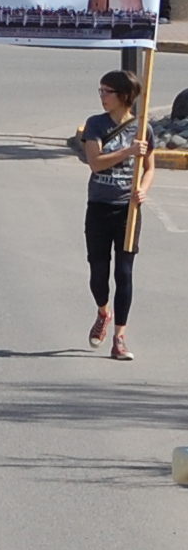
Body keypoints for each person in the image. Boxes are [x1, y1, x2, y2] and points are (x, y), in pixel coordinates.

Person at [79, 68, 154, 361]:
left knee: (124, 273)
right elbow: (95, 163)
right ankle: (103, 311)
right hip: (99, 207)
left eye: (107, 92)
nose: (102, 97)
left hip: (127, 210)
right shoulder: (95, 124)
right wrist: (127, 152)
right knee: (99, 273)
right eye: (100, 91)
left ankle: (119, 337)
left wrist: (143, 190)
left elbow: (150, 167)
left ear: (124, 96)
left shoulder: (143, 127)